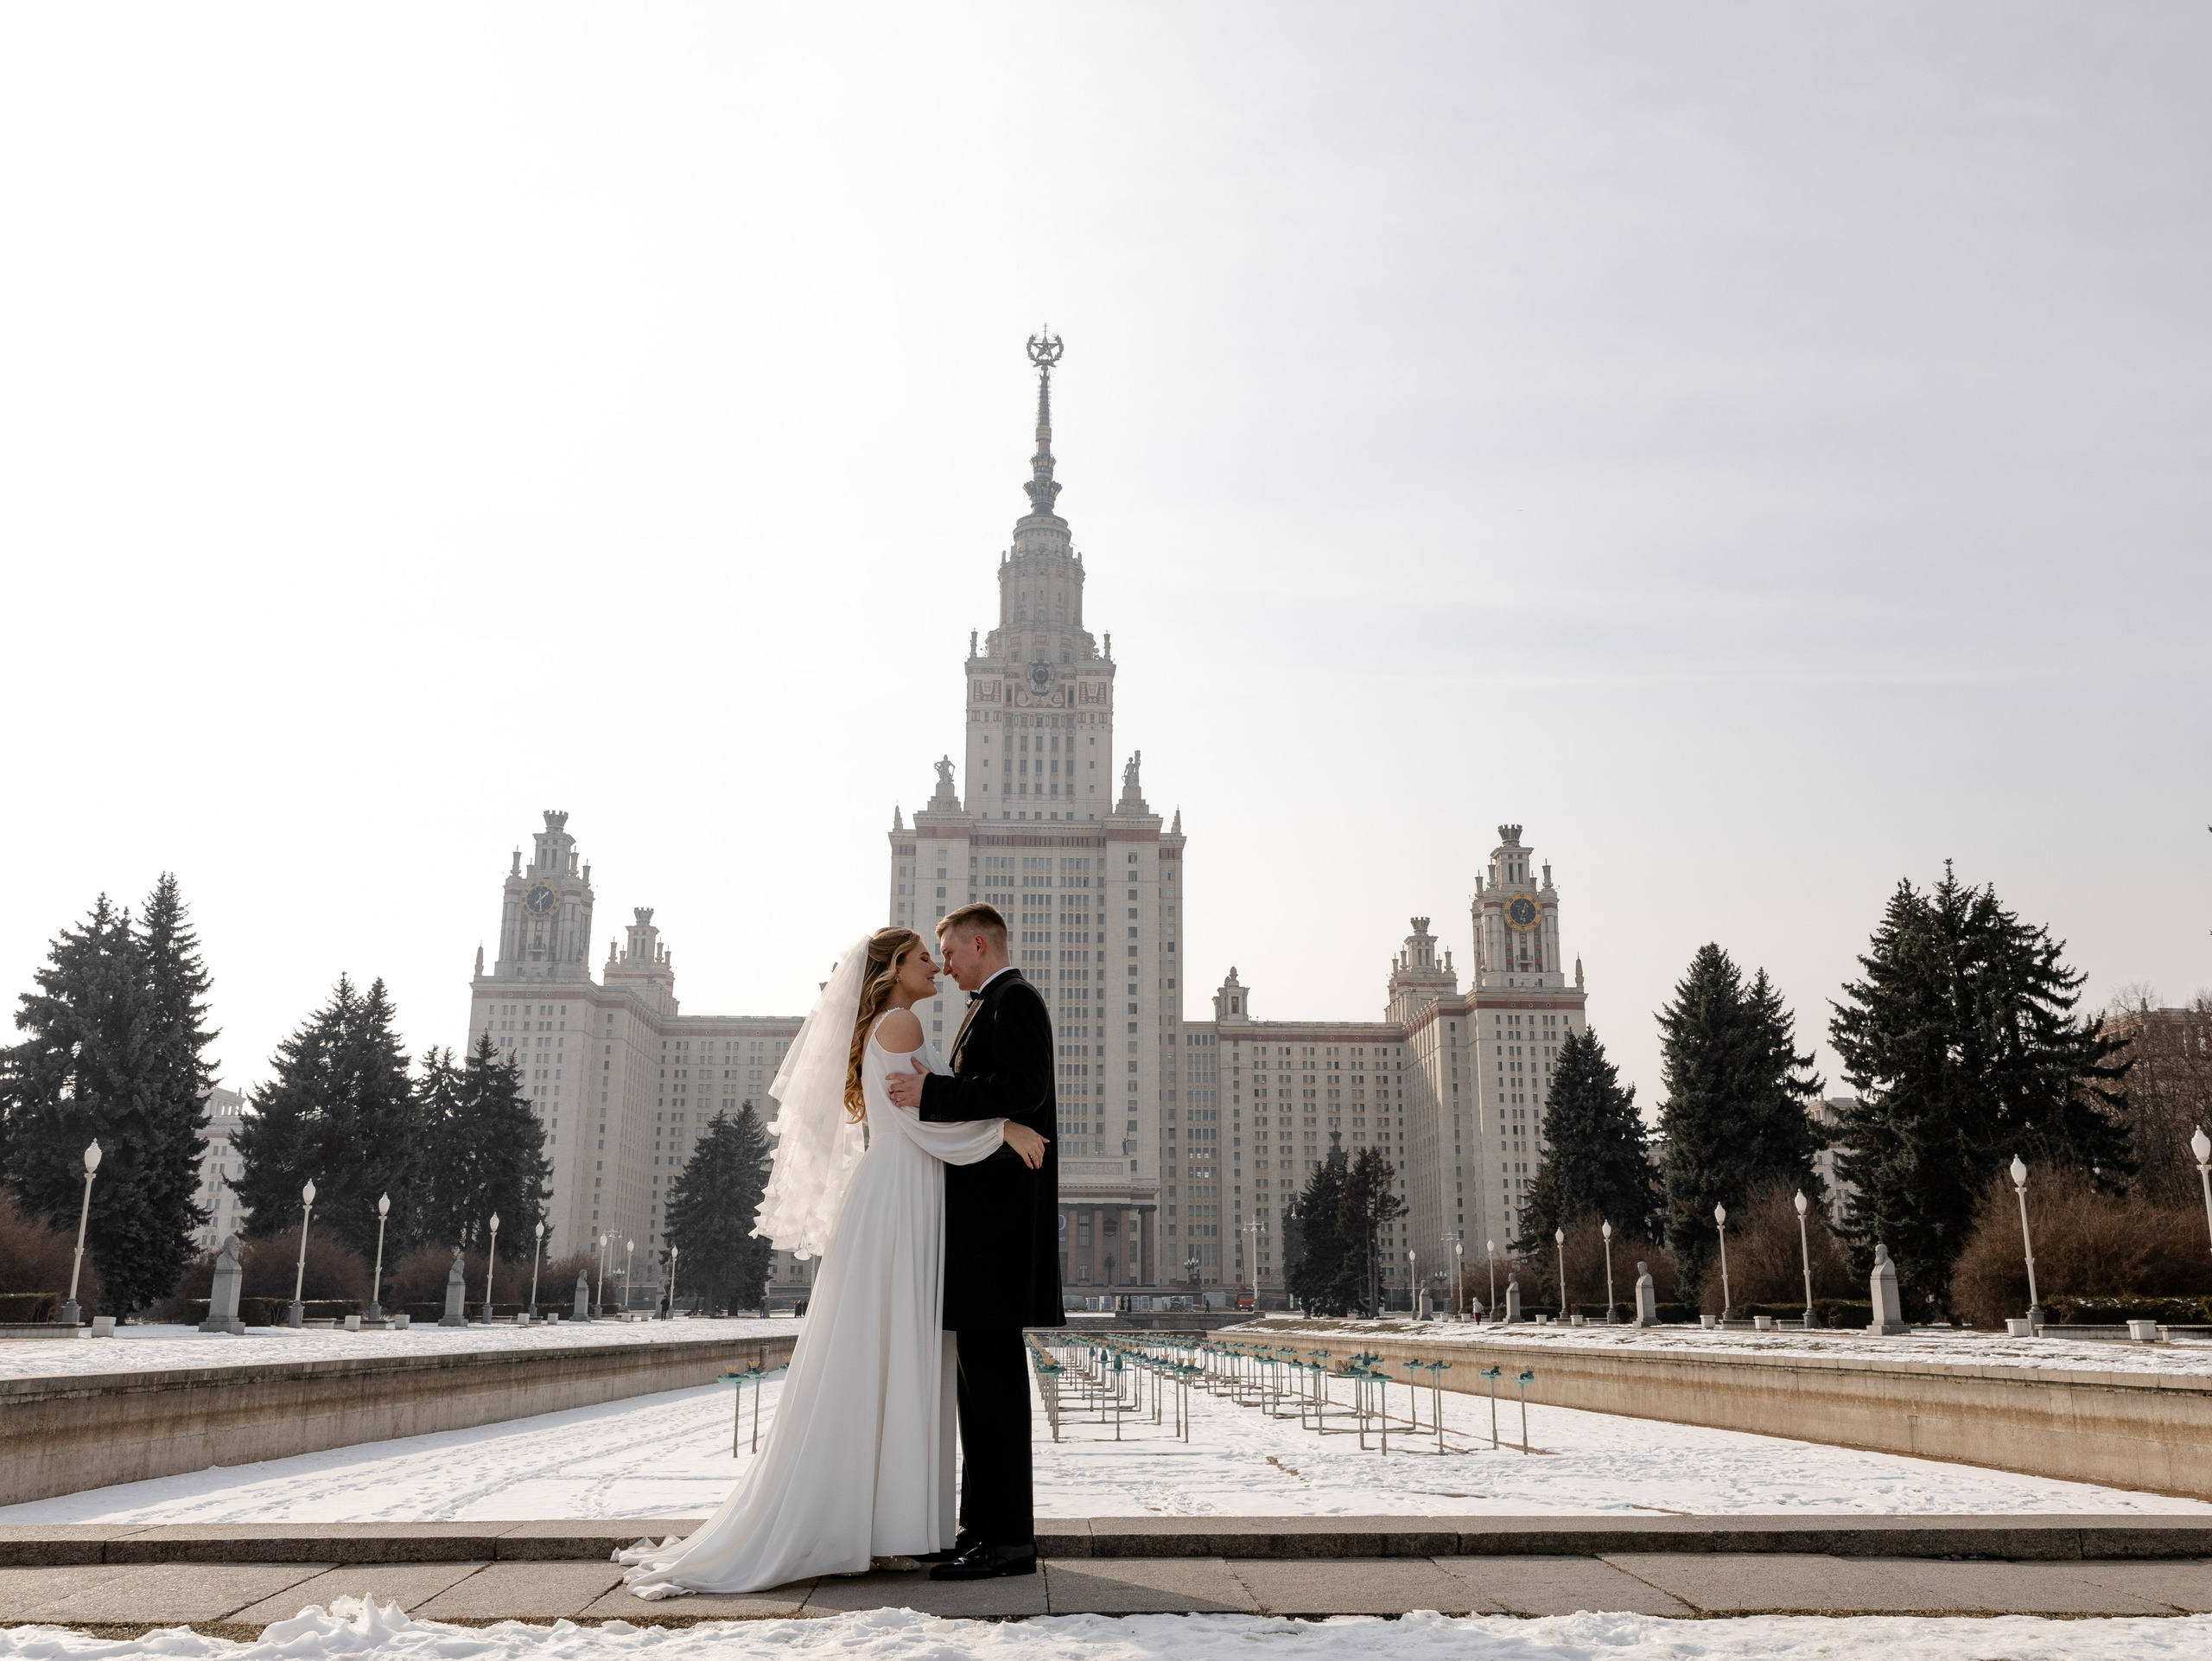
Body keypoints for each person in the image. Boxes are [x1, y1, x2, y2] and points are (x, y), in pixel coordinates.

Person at [617, 926, 1047, 1599]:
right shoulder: (900, 1021)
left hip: (903, 1191)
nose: (936, 965)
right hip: (904, 1193)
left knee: (879, 1352)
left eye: (942, 954)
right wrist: (1005, 1129)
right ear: (894, 970)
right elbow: (919, 1121)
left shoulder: (889, 1020)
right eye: (923, 958)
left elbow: (921, 1109)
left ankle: (875, 1517)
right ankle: (874, 1518)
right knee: (887, 1351)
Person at [883, 903, 1062, 1581]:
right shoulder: (986, 1005)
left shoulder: (1016, 1001)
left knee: (993, 1393)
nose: (946, 964)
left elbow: (1024, 1089)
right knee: (978, 1391)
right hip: (981, 1229)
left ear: (978, 944)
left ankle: (1009, 1541)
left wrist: (933, 1092)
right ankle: (981, 1531)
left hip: (999, 1229)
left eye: (949, 952)